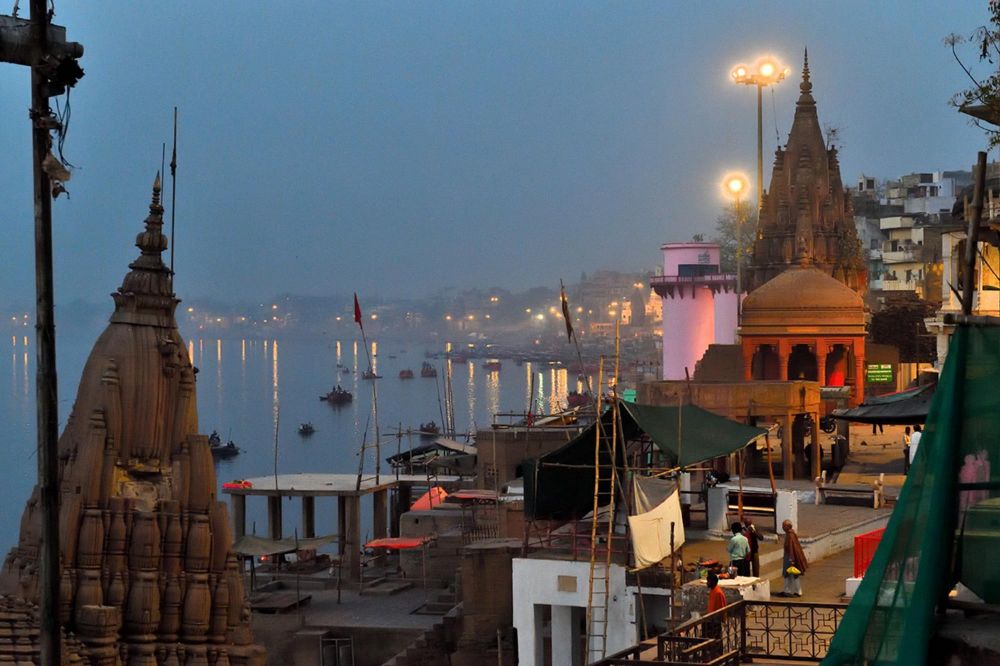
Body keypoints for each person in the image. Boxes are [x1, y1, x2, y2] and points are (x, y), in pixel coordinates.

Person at [779, 519, 808, 597]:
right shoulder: (791, 534)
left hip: (790, 557)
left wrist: (791, 559)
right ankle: (795, 591)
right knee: (793, 575)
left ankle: (788, 590)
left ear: (787, 527)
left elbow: (792, 548)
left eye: (783, 526)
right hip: (791, 557)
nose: (782, 527)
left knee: (788, 574)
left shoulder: (790, 535)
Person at [705, 572, 727, 641]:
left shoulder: (718, 593)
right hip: (711, 619)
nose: (707, 583)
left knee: (716, 639)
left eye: (708, 581)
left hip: (715, 621)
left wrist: (722, 619)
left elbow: (722, 606)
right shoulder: (713, 590)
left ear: (713, 582)